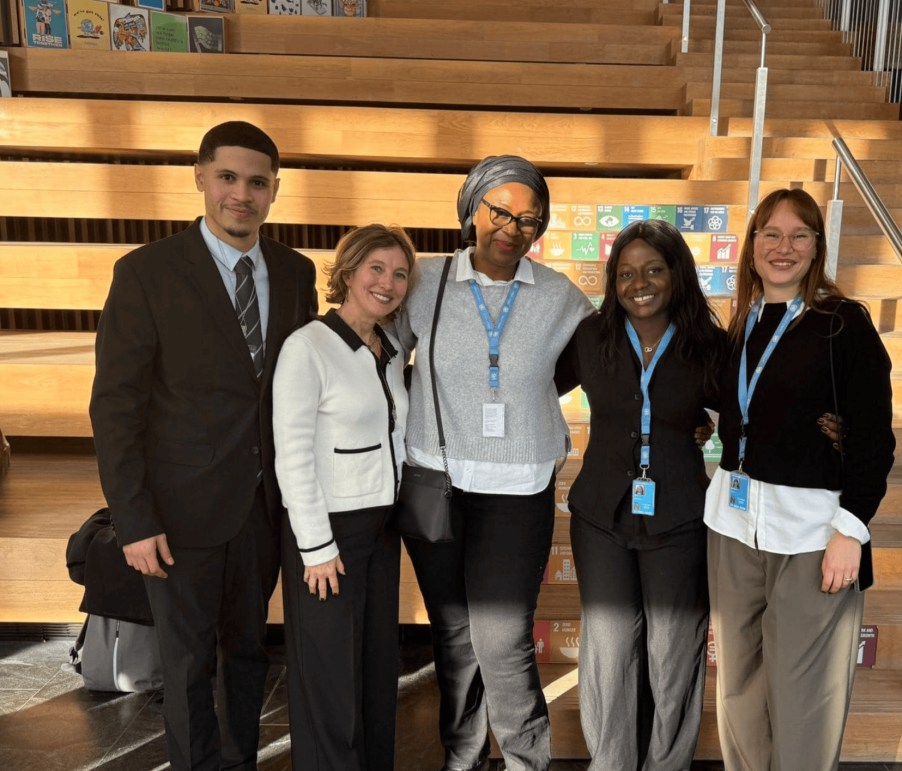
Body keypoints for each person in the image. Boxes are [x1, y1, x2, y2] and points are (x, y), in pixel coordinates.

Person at [89, 121, 318, 771]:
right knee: (187, 660)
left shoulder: (297, 274)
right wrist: (133, 519)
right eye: (227, 177)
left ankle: (239, 760)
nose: (240, 194)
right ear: (199, 177)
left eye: (256, 182)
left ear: (275, 190)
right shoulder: (146, 273)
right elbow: (116, 408)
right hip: (177, 514)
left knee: (247, 651)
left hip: (262, 508)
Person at [395, 155, 594, 771]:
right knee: (454, 636)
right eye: (499, 210)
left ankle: (524, 759)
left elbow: (590, 367)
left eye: (528, 219)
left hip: (519, 485)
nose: (511, 227)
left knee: (502, 639)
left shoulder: (559, 296)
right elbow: (382, 358)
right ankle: (462, 755)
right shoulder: (423, 281)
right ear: (471, 209)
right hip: (436, 481)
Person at [704, 188, 896, 771]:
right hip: (734, 525)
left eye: (798, 236)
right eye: (771, 235)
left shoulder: (844, 324)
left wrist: (851, 529)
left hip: (814, 536)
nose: (783, 248)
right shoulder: (741, 322)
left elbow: (874, 437)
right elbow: (731, 406)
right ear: (752, 245)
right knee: (738, 685)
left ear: (817, 248)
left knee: (804, 693)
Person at [555, 219, 728, 770]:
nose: (640, 283)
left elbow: (754, 407)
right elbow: (528, 385)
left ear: (676, 273)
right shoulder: (590, 337)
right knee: (608, 654)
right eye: (626, 273)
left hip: (678, 518)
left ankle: (665, 764)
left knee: (673, 654)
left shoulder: (709, 345)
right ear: (613, 280)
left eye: (654, 269)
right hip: (600, 517)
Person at [273, 225, 416, 771]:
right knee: (328, 681)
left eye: (400, 273)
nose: (388, 282)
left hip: (382, 531)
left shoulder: (389, 343)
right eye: (375, 269)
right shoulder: (307, 348)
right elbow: (293, 455)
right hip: (329, 535)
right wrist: (316, 546)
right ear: (348, 273)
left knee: (377, 672)